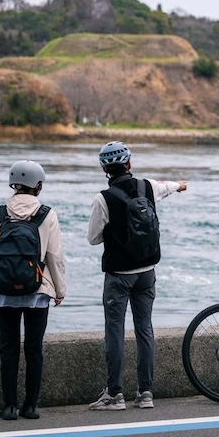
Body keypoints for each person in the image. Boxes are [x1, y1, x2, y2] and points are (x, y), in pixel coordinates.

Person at [87, 141, 187, 411]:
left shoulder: (103, 199)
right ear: (129, 163)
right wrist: (179, 185)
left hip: (118, 275)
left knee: (115, 333)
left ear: (104, 169)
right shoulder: (148, 186)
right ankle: (145, 393)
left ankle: (114, 394)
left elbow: (93, 238)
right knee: (145, 329)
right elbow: (168, 187)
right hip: (147, 273)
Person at [0, 160, 67, 421]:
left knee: (8, 349)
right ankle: (30, 406)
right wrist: (59, 289)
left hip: (5, 291)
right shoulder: (47, 214)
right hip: (38, 290)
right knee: (33, 349)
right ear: (38, 186)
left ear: (14, 184)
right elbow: (54, 256)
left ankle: (8, 407)